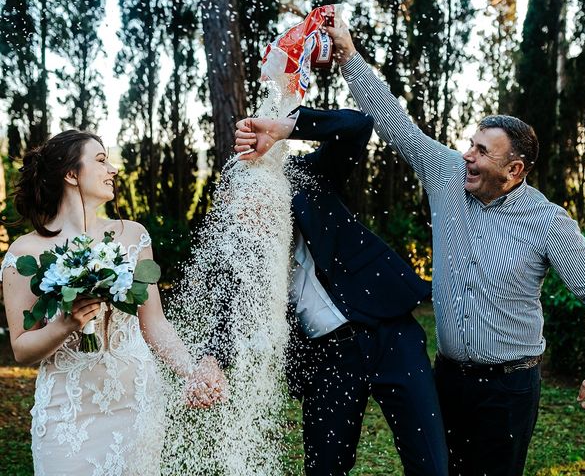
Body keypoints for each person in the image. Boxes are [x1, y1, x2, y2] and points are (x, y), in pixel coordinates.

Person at [322, 20, 585, 475]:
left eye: (483, 151)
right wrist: (347, 54)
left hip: (508, 390)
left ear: (515, 169)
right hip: (444, 379)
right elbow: (394, 122)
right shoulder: (447, 175)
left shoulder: (548, 223)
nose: (468, 155)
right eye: (471, 144)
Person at [234, 106, 448, 475]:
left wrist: (286, 128)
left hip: (390, 334)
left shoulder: (308, 180)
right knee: (324, 468)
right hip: (327, 360)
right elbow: (226, 303)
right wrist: (210, 360)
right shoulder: (242, 252)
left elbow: (357, 126)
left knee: (429, 461)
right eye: (240, 205)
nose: (251, 213)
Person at [0, 130, 226, 475]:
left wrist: (191, 372)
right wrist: (65, 325)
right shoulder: (25, 254)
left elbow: (154, 324)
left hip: (136, 403)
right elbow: (22, 348)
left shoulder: (132, 236)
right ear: (71, 174)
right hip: (68, 411)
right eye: (101, 160)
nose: (114, 170)